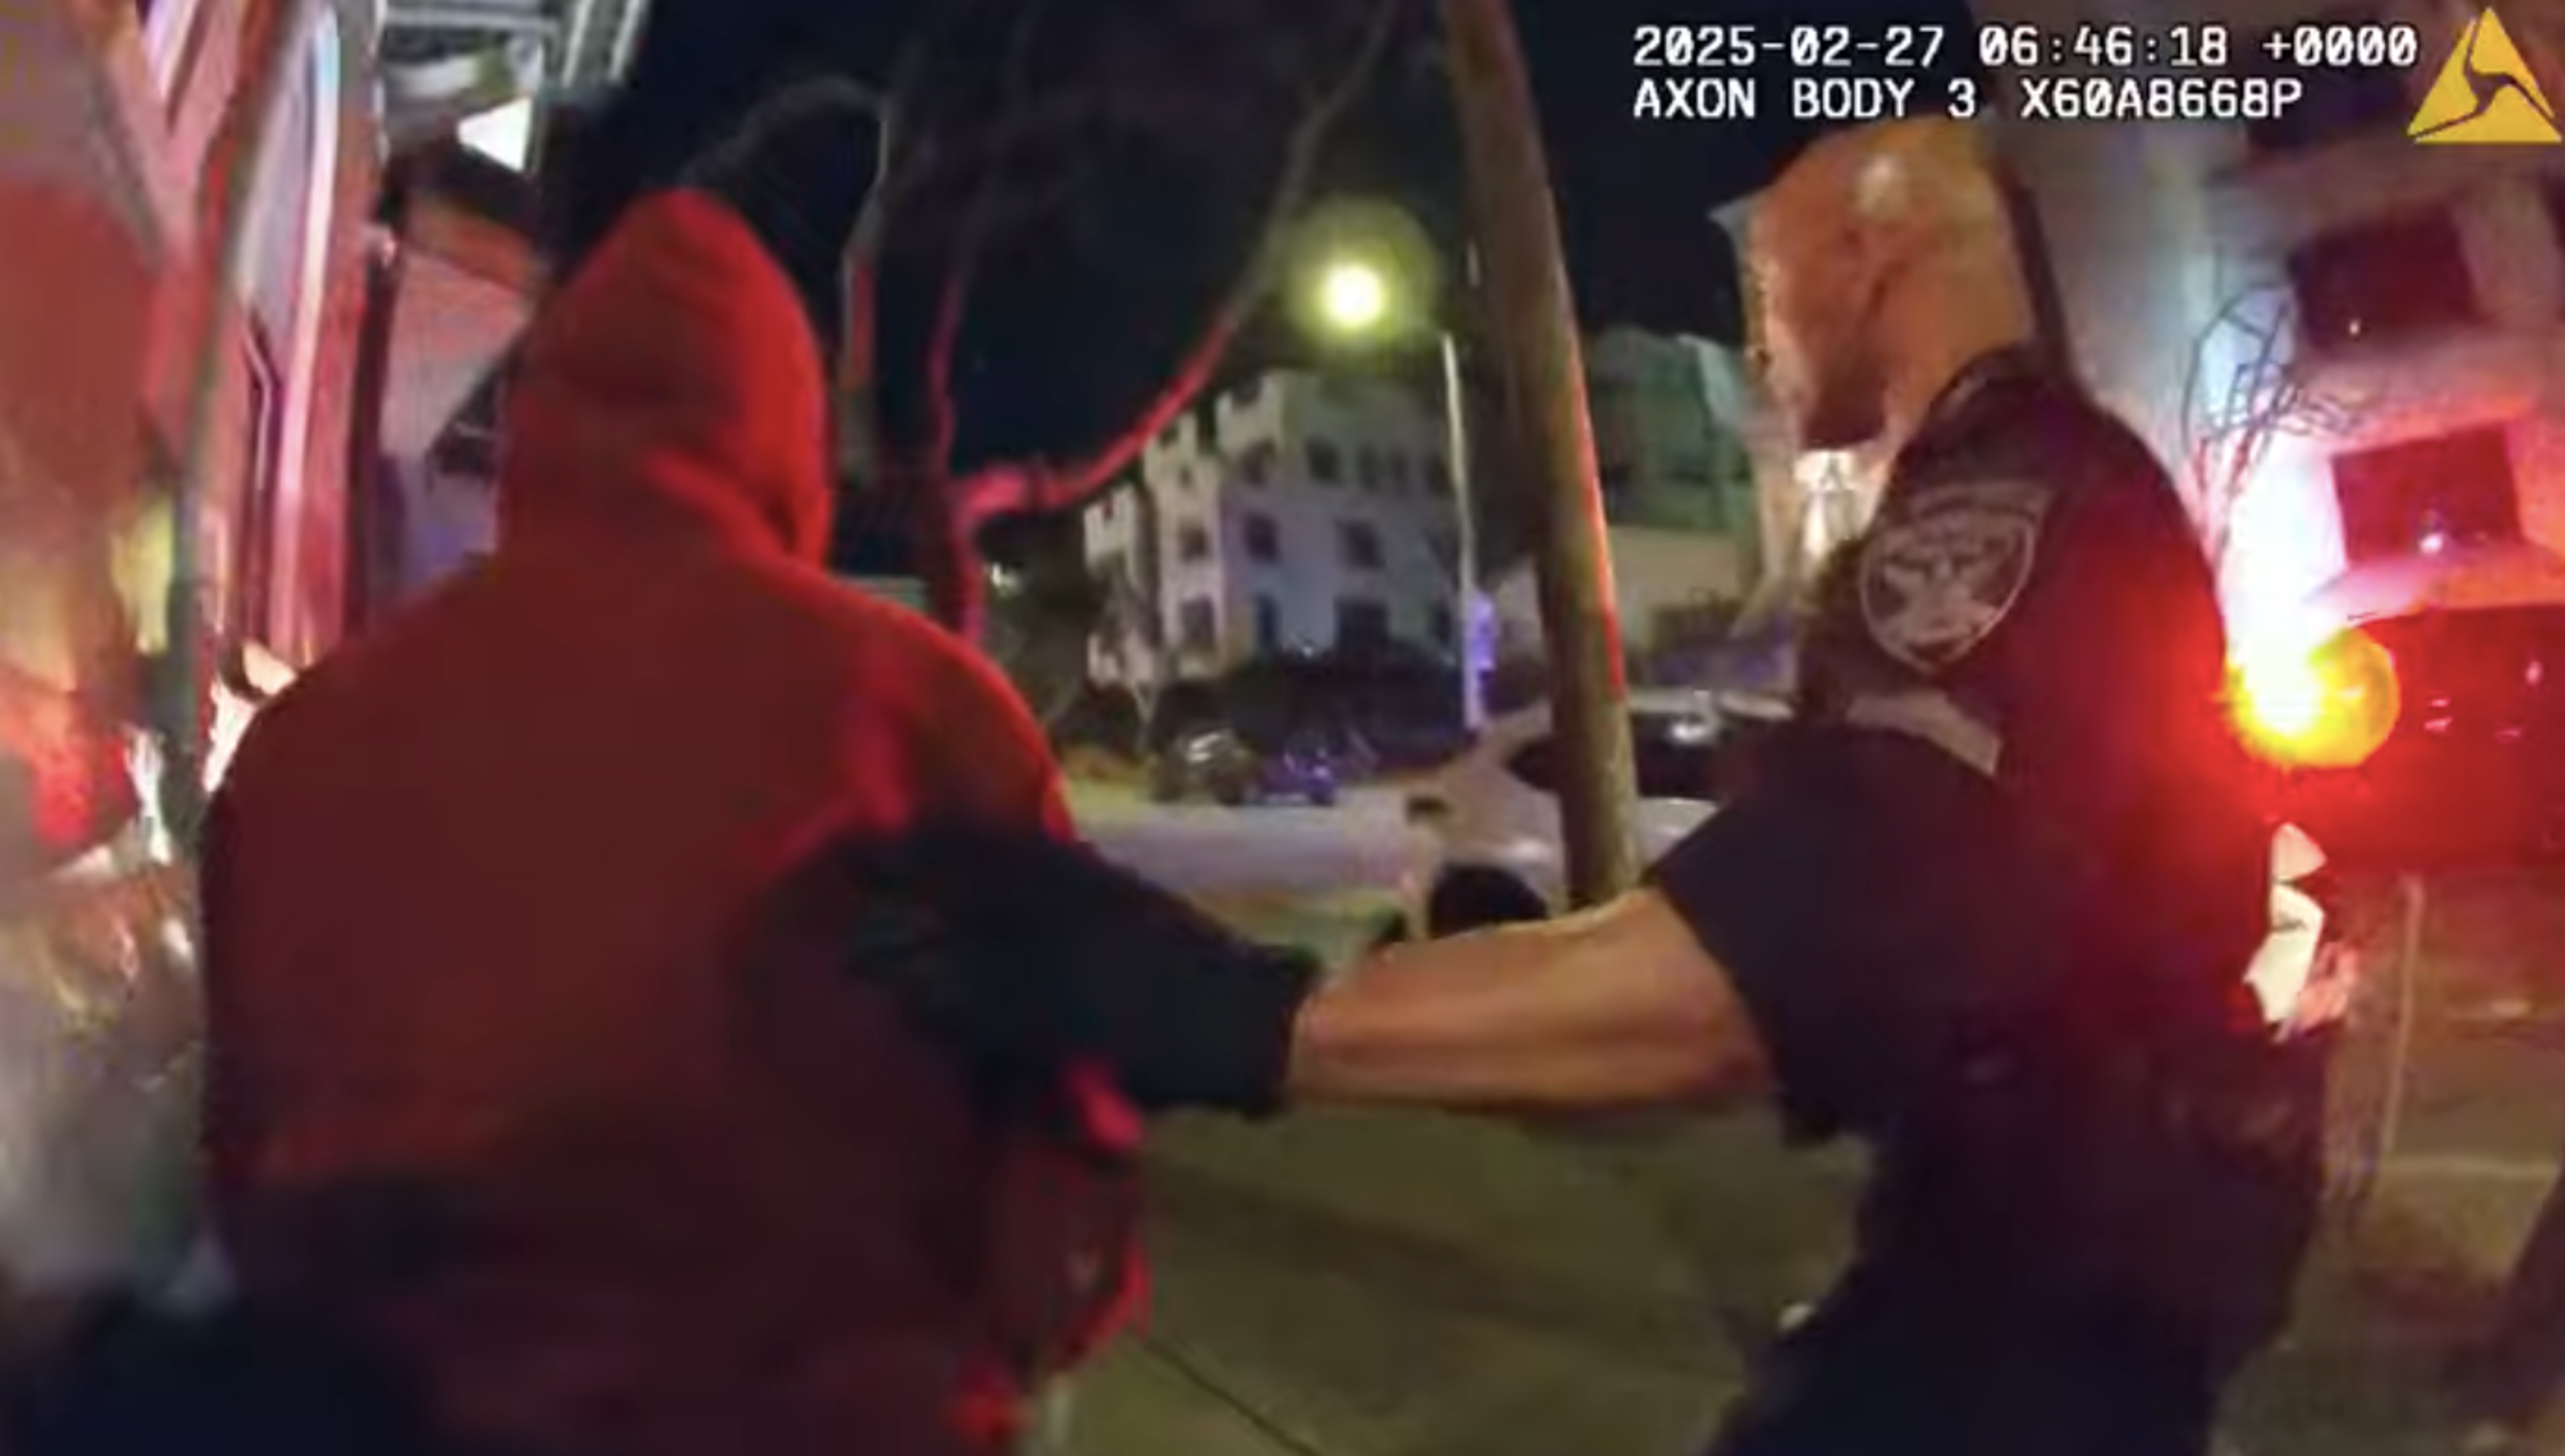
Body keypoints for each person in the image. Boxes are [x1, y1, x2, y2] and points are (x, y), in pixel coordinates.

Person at [842, 118, 2334, 1456]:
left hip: (2034, 1342)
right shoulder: (2060, 483)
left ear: (1877, 252)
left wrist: (1241, 1019)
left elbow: (1780, 959)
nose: (1759, 340)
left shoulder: (2002, 511)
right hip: (2040, 1295)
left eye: (1767, 286)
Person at [196, 75, 1141, 1456]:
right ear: (780, 427)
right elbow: (1063, 1155)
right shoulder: (929, 716)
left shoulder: (311, 739)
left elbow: (250, 1168)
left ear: (542, 420)